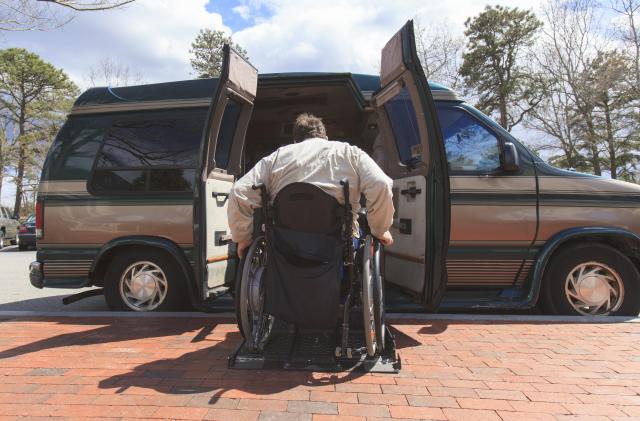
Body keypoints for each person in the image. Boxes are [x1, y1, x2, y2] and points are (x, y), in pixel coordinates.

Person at [228, 113, 395, 258]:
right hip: (338, 242)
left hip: (285, 245)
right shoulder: (350, 152)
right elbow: (381, 183)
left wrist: (243, 239)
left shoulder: (276, 158)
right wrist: (379, 229)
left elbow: (239, 191)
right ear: (325, 137)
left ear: (295, 141)